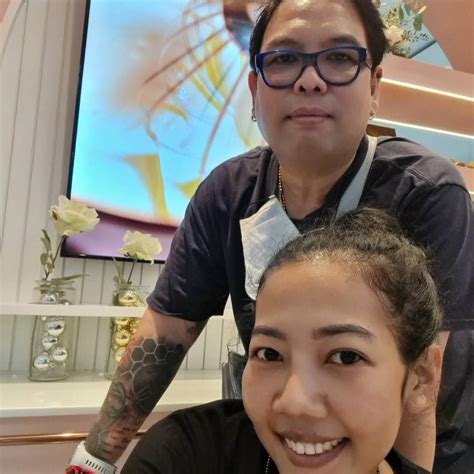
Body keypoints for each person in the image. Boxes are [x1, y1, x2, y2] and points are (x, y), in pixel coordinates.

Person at [67, 0, 473, 472]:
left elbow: (422, 390)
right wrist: (93, 460)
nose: (310, 80)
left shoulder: (425, 191)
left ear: (374, 86)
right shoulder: (228, 193)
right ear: (255, 89)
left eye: (340, 57)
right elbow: (167, 331)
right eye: (283, 59)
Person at [121, 208, 443, 474]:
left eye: (345, 356)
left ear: (421, 378)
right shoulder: (187, 454)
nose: (293, 403)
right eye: (270, 354)